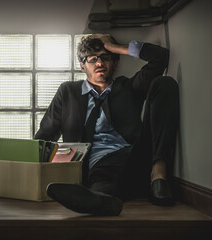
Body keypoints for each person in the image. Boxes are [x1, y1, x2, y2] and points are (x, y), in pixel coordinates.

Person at [35, 34, 179, 216]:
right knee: (102, 183)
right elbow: (46, 134)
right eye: (92, 59)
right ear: (82, 65)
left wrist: (116, 47)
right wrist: (21, 176)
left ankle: (159, 176)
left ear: (115, 63)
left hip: (136, 157)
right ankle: (101, 199)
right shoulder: (68, 92)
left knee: (164, 83)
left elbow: (160, 57)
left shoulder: (128, 87)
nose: (99, 63)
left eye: (105, 57)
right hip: (95, 167)